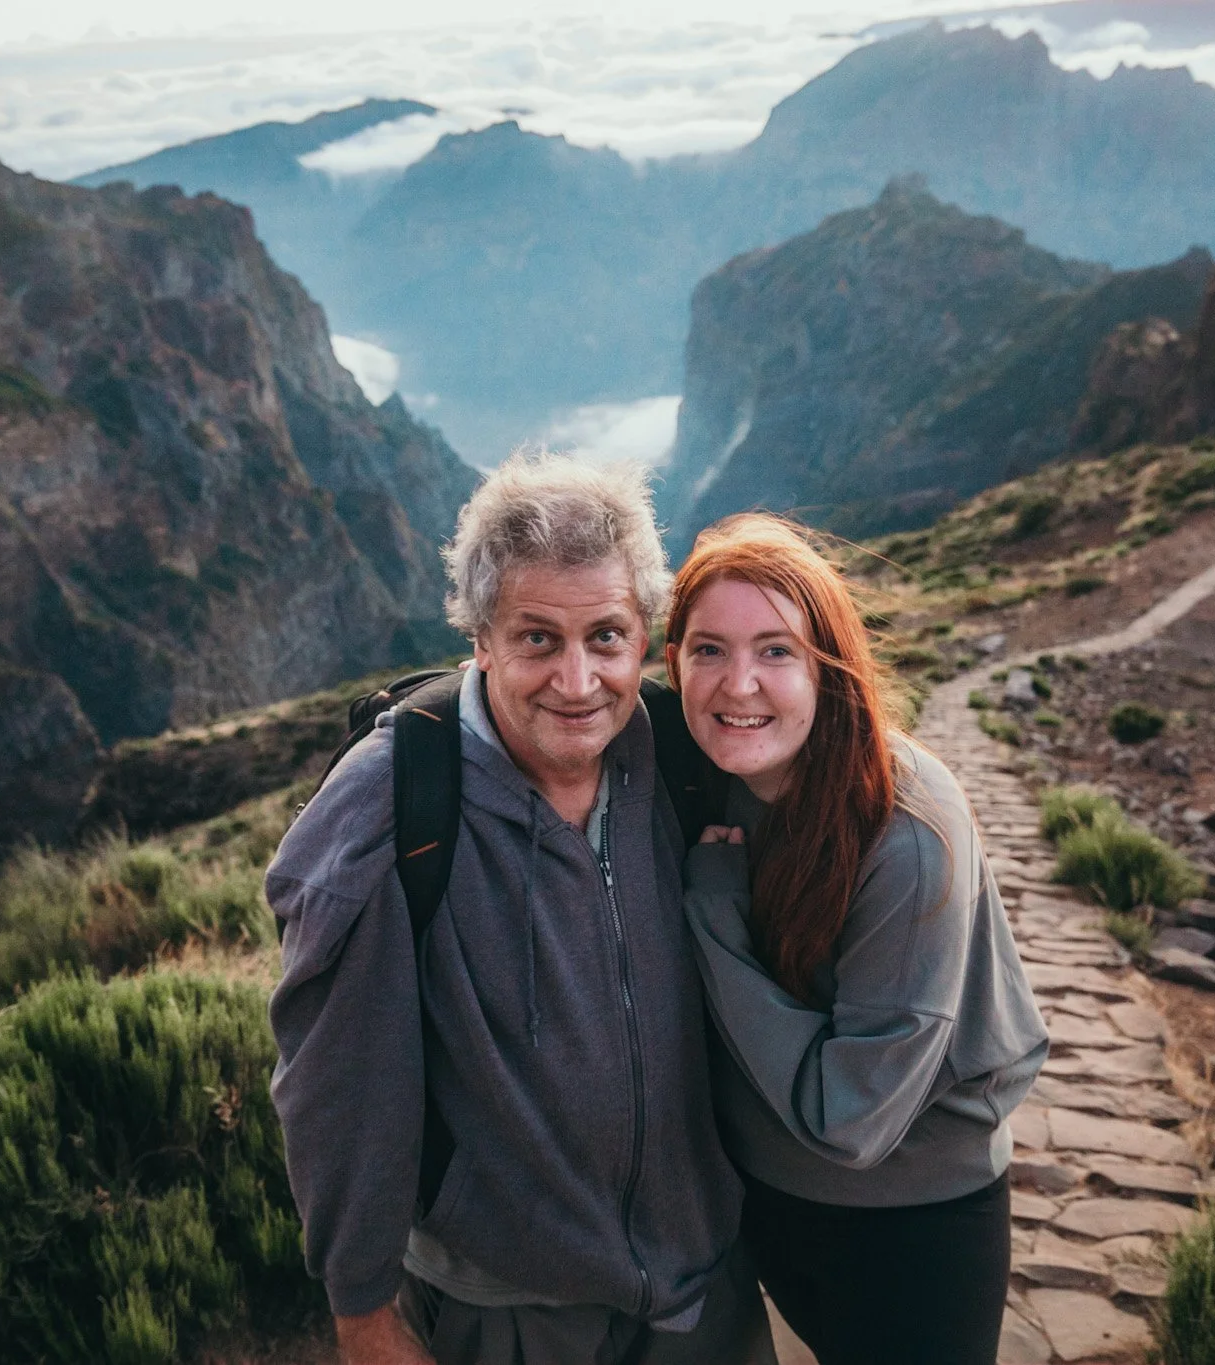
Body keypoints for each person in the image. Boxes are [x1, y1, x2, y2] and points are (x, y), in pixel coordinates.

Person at [264, 454, 774, 1365]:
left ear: (644, 637)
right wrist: (364, 1315)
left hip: (704, 1293)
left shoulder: (683, 760)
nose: (578, 682)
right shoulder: (392, 804)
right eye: (538, 638)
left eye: (606, 638)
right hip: (510, 1316)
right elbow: (339, 1091)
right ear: (482, 639)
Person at [663, 513, 1051, 1365]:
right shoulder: (708, 772)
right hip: (764, 1209)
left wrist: (714, 916)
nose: (739, 685)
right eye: (708, 650)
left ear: (827, 666)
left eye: (775, 650)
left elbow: (854, 1120)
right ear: (674, 663)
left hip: (909, 1236)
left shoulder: (906, 834)